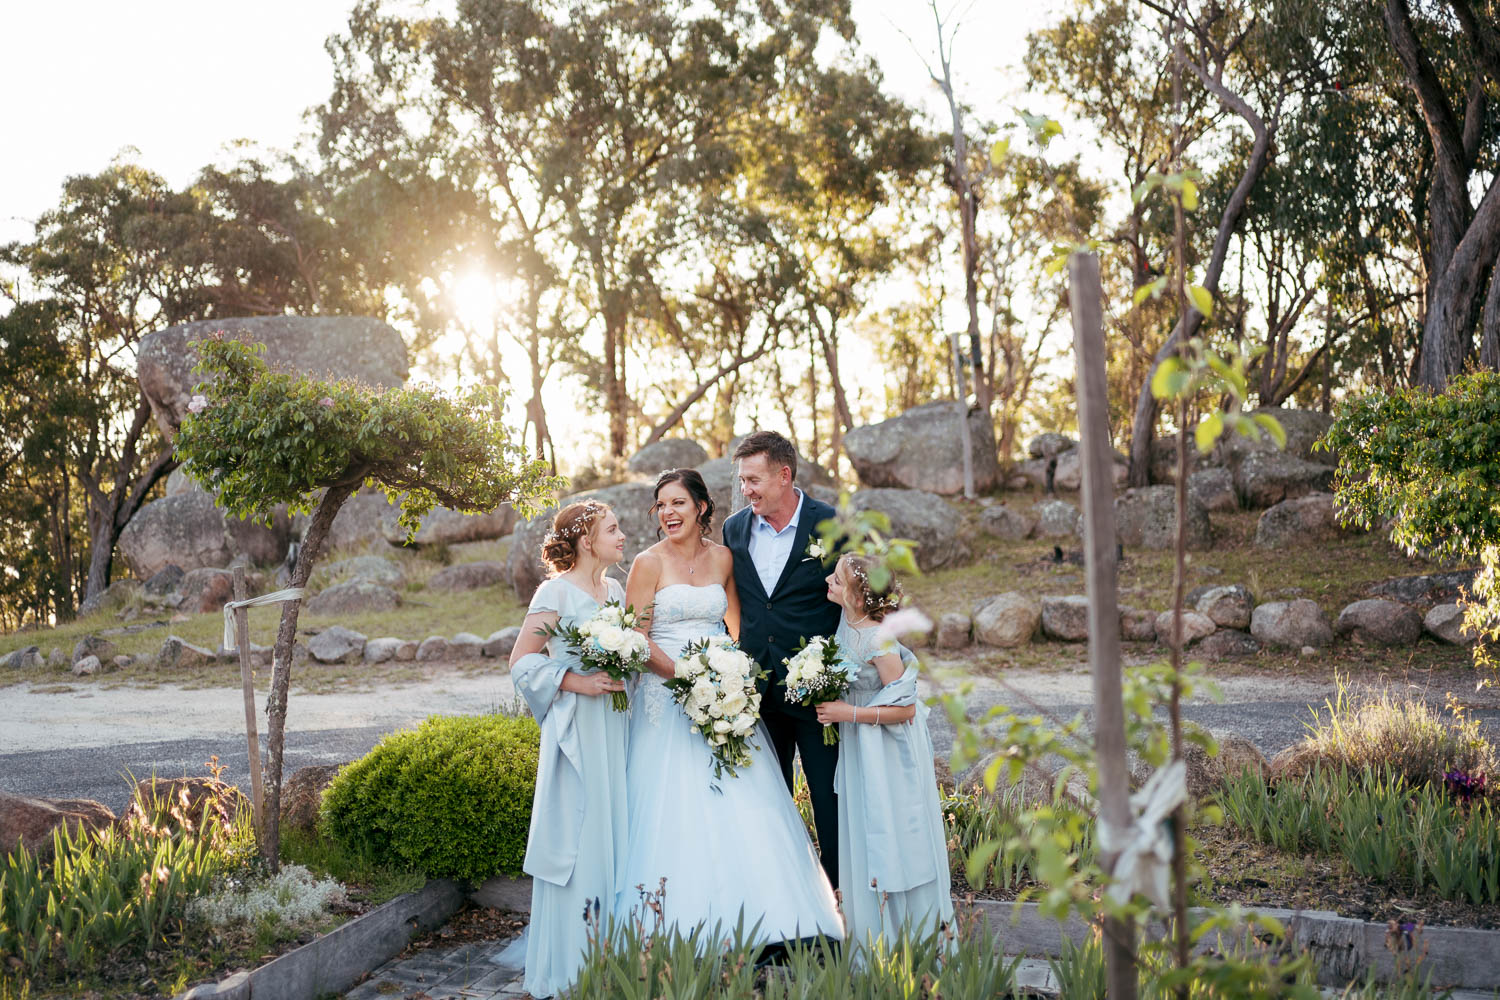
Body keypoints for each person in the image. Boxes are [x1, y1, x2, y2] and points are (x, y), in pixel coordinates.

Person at [614, 468, 842, 948]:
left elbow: (735, 627)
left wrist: (729, 679)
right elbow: (635, 637)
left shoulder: (723, 558)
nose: (668, 513)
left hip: (724, 696)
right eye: (661, 505)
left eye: (677, 502)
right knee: (676, 806)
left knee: (744, 800)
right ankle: (674, 926)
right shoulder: (647, 563)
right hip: (667, 698)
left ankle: (774, 923)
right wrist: (686, 677)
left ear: (700, 507)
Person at [508, 501, 631, 999]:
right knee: (579, 836)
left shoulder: (617, 590)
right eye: (613, 529)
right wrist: (576, 681)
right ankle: (571, 965)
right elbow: (521, 661)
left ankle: (614, 958)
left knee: (615, 829)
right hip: (578, 729)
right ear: (585, 540)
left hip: (617, 728)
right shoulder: (555, 591)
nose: (623, 536)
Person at [721, 431, 843, 886]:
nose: (746, 490)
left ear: (784, 475)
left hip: (818, 695)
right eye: (743, 481)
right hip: (758, 693)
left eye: (754, 480)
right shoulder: (734, 528)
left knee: (829, 801)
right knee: (768, 804)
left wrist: (836, 672)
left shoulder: (830, 523)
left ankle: (838, 899)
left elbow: (851, 603)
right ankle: (779, 897)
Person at [815, 554, 952, 952]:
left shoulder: (879, 639)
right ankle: (871, 937)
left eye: (837, 580)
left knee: (892, 830)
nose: (829, 580)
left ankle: (911, 937)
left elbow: (906, 709)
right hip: (861, 743)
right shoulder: (847, 622)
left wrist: (847, 711)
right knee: (863, 828)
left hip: (888, 750)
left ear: (858, 598)